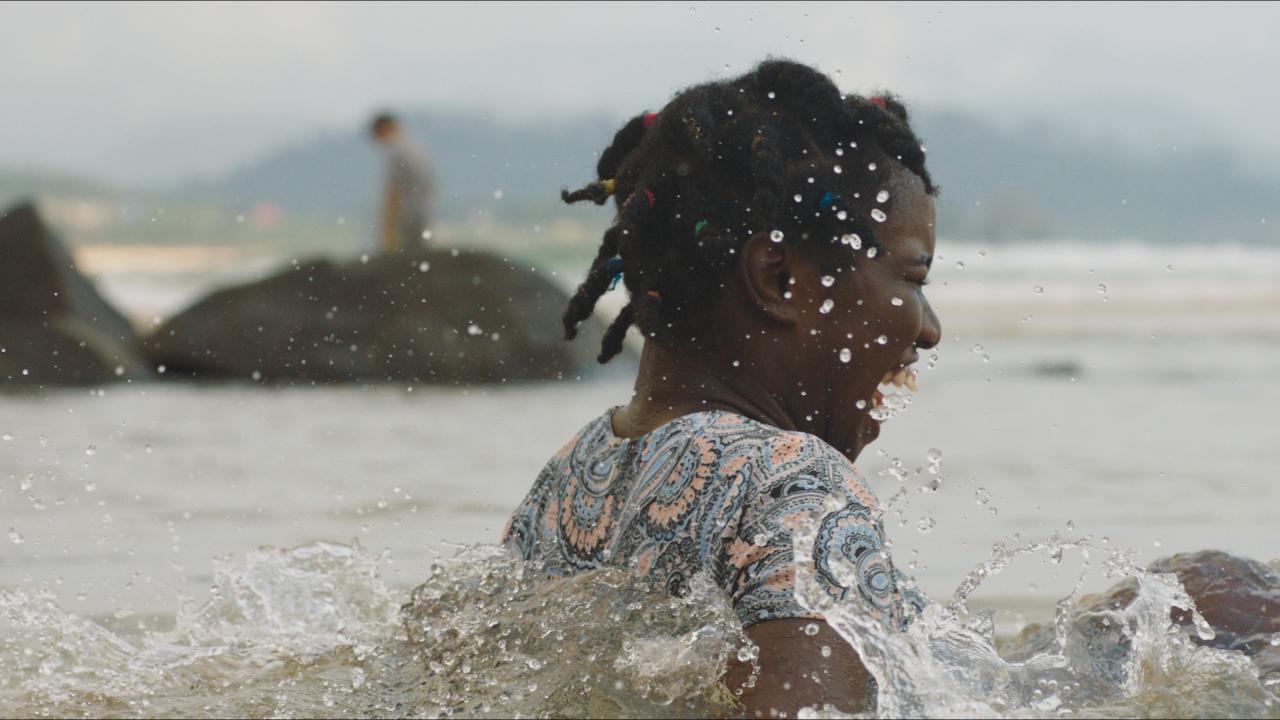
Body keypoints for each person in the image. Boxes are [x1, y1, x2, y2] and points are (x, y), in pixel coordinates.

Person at [501, 59, 940, 716]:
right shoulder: (793, 481)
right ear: (780, 279)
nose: (929, 329)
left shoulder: (569, 475)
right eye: (913, 279)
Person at [369, 112, 434, 252]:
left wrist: (387, 228)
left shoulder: (395, 150)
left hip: (405, 216)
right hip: (422, 212)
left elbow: (395, 190)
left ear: (382, 128)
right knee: (418, 256)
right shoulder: (414, 146)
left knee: (401, 258)